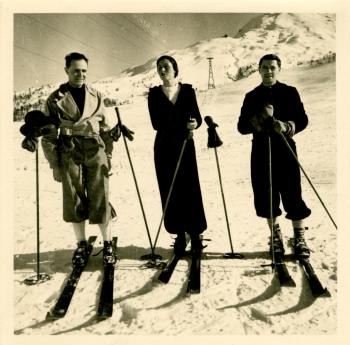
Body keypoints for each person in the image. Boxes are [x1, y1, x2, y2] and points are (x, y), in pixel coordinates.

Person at [41, 52, 118, 266]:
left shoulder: (97, 95)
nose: (80, 75)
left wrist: (108, 155)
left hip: (95, 148)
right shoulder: (55, 99)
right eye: (76, 71)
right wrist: (55, 165)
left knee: (100, 193)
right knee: (73, 196)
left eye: (84, 71)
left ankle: (108, 243)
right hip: (69, 149)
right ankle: (82, 244)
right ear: (66, 71)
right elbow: (48, 136)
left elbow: (104, 128)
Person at [237, 54, 311, 258]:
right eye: (265, 68)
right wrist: (261, 118)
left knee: (292, 192)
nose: (268, 71)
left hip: (285, 148)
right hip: (260, 150)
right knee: (266, 195)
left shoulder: (289, 92)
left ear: (278, 69)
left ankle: (299, 237)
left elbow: (303, 119)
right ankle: (275, 236)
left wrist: (287, 126)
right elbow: (241, 127)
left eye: (272, 68)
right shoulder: (251, 96)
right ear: (258, 70)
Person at [148, 55, 207, 255]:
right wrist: (182, 122)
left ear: (175, 68)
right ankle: (180, 234)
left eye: (166, 66)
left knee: (190, 188)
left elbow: (196, 116)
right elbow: (156, 123)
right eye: (159, 67)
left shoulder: (188, 90)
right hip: (164, 147)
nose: (162, 70)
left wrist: (194, 124)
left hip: (185, 144)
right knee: (169, 189)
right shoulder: (154, 94)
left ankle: (196, 233)